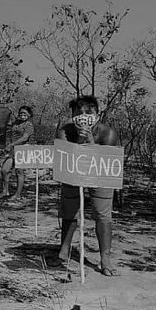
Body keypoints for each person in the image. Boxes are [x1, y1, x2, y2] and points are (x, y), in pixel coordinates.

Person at [54, 95, 120, 276]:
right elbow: (65, 156)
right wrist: (79, 143)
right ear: (72, 114)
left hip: (100, 176)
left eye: (88, 112)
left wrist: (91, 142)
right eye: (78, 112)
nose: (83, 115)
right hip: (73, 172)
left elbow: (105, 162)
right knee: (70, 211)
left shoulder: (108, 133)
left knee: (102, 214)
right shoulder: (64, 132)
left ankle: (105, 258)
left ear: (97, 113)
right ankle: (64, 250)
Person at [0, 106, 35, 199]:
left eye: (25, 114)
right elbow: (8, 121)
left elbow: (24, 138)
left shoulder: (29, 125)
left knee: (19, 172)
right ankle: (5, 191)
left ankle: (17, 195)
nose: (22, 115)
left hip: (22, 150)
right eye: (21, 113)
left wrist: (11, 145)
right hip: (12, 150)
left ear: (29, 115)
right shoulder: (15, 123)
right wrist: (8, 111)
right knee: (4, 170)